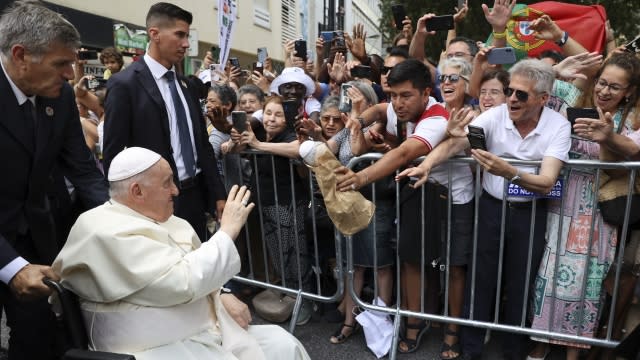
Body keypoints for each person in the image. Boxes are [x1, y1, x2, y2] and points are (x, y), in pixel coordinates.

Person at [52, 147, 311, 360]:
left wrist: (222, 294)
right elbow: (182, 281)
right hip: (152, 349)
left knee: (284, 346)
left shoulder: (170, 220)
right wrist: (227, 231)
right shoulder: (101, 230)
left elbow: (194, 270)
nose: (176, 190)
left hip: (202, 332)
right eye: (167, 183)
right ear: (137, 191)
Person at [398, 58, 571, 359]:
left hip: (530, 212)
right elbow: (456, 144)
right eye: (510, 91)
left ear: (543, 99)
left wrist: (510, 172)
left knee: (520, 282)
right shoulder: (496, 116)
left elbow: (547, 181)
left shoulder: (558, 126)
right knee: (481, 280)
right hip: (491, 208)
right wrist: (426, 165)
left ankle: (514, 351)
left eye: (521, 94)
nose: (512, 99)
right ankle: (470, 350)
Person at [0, 1, 109, 358]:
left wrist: (120, 223)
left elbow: (82, 168)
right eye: (61, 63)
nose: (70, 75)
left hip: (34, 239)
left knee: (37, 338)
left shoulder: (59, 97)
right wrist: (11, 267)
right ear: (20, 55)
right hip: (7, 252)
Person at [528, 52, 640, 360]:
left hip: (599, 209)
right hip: (561, 200)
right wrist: (557, 75)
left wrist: (607, 138)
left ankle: (573, 353)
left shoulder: (629, 122)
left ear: (629, 91)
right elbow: (533, 98)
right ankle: (540, 342)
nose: (605, 91)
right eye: (603, 83)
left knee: (587, 282)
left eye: (615, 87)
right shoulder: (572, 97)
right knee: (547, 272)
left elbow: (621, 168)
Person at [104, 2, 226, 241]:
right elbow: (113, 154)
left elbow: (202, 144)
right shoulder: (125, 85)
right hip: (152, 203)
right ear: (155, 34)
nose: (186, 43)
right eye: (179, 35)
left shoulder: (188, 86)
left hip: (195, 197)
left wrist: (217, 194)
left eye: (187, 36)